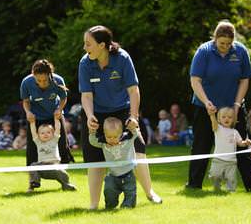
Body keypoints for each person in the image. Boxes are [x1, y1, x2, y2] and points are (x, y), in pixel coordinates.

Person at [78, 25, 162, 209]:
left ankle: (150, 193)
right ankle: (93, 204)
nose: (85, 48)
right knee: (95, 158)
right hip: (95, 112)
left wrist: (134, 117)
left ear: (102, 45)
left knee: (138, 148)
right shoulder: (85, 63)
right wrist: (90, 116)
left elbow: (133, 90)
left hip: (122, 111)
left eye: (88, 44)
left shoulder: (122, 58)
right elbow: (86, 95)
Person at [187, 20, 251, 191]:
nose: (225, 47)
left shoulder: (240, 51)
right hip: (205, 107)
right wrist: (206, 102)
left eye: (229, 44)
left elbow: (244, 80)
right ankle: (193, 185)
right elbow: (195, 80)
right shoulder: (204, 51)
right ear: (215, 39)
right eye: (222, 43)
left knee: (242, 145)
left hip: (232, 108)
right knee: (201, 145)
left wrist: (236, 105)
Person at [20, 59, 75, 188]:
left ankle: (65, 181)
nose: (42, 83)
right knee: (32, 150)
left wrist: (59, 109)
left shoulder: (58, 80)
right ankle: (33, 182)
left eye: (45, 80)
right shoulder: (26, 82)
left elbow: (63, 98)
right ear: (33, 75)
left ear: (50, 75)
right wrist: (28, 112)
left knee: (62, 145)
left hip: (54, 115)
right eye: (39, 80)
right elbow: (26, 101)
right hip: (35, 117)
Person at [89, 117, 138, 209]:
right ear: (104, 134)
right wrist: (92, 132)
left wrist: (133, 126)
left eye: (115, 137)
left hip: (128, 174)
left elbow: (135, 134)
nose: (112, 139)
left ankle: (127, 206)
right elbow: (93, 141)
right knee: (109, 191)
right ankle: (110, 206)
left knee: (130, 192)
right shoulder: (103, 143)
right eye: (109, 137)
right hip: (112, 175)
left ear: (121, 134)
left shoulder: (127, 139)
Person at [27, 117, 76, 193]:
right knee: (32, 166)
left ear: (53, 134)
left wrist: (57, 119)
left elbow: (58, 129)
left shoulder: (54, 140)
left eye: (48, 132)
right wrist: (32, 123)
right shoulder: (38, 142)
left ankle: (67, 185)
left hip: (54, 167)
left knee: (64, 174)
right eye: (42, 133)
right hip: (42, 168)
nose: (45, 134)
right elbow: (33, 132)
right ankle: (34, 183)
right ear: (38, 135)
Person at [208, 107, 251, 192]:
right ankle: (217, 188)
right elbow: (214, 123)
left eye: (230, 117)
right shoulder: (218, 129)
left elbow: (240, 143)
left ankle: (231, 191)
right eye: (223, 117)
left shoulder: (235, 132)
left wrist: (245, 142)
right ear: (219, 119)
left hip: (231, 161)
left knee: (231, 178)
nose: (226, 119)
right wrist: (212, 115)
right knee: (214, 175)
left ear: (234, 119)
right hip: (218, 159)